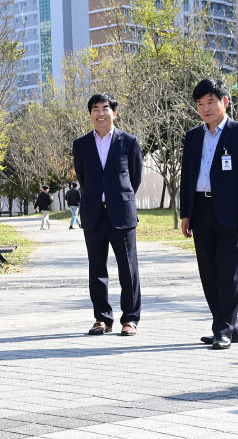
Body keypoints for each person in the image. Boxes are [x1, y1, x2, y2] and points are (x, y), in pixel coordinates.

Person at [180, 79, 238, 350]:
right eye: (200, 104)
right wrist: (186, 213)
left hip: (231, 214)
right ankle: (229, 326)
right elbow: (187, 176)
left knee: (229, 273)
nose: (206, 108)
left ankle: (223, 329)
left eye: (211, 102)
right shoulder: (193, 137)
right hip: (200, 212)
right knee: (209, 273)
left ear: (224, 102)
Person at [73, 93, 142, 337]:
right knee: (97, 269)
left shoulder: (130, 142)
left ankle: (130, 319)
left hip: (121, 214)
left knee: (128, 269)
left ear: (114, 112)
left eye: (105, 108)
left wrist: (117, 198)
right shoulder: (80, 145)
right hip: (93, 214)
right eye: (95, 109)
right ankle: (102, 318)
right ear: (90, 114)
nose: (100, 113)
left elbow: (134, 178)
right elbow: (83, 179)